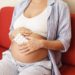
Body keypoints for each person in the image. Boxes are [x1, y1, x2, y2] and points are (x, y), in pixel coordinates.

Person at [0, 0, 71, 75]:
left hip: (38, 65)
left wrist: (41, 43)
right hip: (10, 59)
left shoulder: (60, 6)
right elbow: (11, 34)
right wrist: (14, 33)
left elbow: (64, 43)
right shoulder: (20, 5)